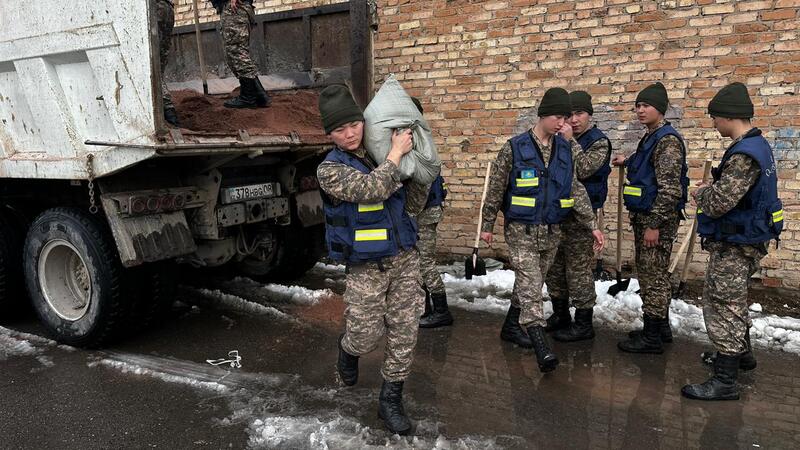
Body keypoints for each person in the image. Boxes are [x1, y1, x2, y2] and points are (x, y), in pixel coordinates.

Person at [316, 85, 429, 434]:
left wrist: (421, 169)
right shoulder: (330, 169)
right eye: (339, 129)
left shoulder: (380, 150)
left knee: (405, 331)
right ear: (329, 134)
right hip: (367, 267)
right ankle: (348, 348)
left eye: (354, 124)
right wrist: (396, 154)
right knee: (366, 336)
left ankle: (390, 399)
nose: (349, 134)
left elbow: (413, 202)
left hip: (405, 258)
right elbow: (371, 190)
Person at [480, 87, 604, 373]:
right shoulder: (514, 147)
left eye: (567, 118)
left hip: (551, 231)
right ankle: (541, 347)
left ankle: (511, 327)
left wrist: (592, 226)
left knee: (529, 284)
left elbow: (575, 188)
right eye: (559, 118)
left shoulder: (566, 148)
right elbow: (496, 189)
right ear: (543, 115)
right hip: (521, 231)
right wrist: (487, 224)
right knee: (531, 286)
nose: (564, 124)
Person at [682, 82, 782, 401]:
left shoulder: (744, 154)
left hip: (735, 244)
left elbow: (719, 202)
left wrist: (701, 193)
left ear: (728, 116)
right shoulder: (758, 146)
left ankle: (725, 380)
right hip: (745, 238)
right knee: (733, 299)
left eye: (715, 118)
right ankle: (742, 355)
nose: (713, 124)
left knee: (722, 303)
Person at [613, 82, 689, 355]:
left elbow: (670, 189)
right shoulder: (651, 137)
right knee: (652, 274)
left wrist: (654, 224)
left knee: (653, 277)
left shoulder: (667, 141)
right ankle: (661, 328)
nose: (640, 110)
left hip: (656, 220)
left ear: (661, 108)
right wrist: (628, 161)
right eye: (638, 105)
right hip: (646, 217)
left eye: (646, 105)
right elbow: (649, 166)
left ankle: (652, 337)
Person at [544, 91, 612, 342]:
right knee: (555, 267)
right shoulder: (555, 138)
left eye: (579, 113)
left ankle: (584, 323)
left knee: (578, 270)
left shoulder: (599, 142)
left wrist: (570, 142)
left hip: (581, 217)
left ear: (589, 115)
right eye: (569, 115)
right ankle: (560, 313)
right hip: (558, 213)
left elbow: (583, 170)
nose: (573, 120)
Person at [411, 97, 453, 329]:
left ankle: (442, 310)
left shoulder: (419, 140)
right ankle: (427, 307)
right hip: (426, 210)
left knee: (424, 263)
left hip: (424, 212)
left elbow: (422, 183)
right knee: (419, 262)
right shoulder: (420, 137)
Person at [210, 0, 270, 108]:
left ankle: (248, 98)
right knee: (234, 55)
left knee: (238, 54)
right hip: (233, 9)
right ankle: (260, 95)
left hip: (234, 9)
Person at [156, 0, 178, 125]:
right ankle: (170, 114)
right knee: (159, 66)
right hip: (167, 8)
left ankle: (169, 113)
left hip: (154, 8)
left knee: (152, 69)